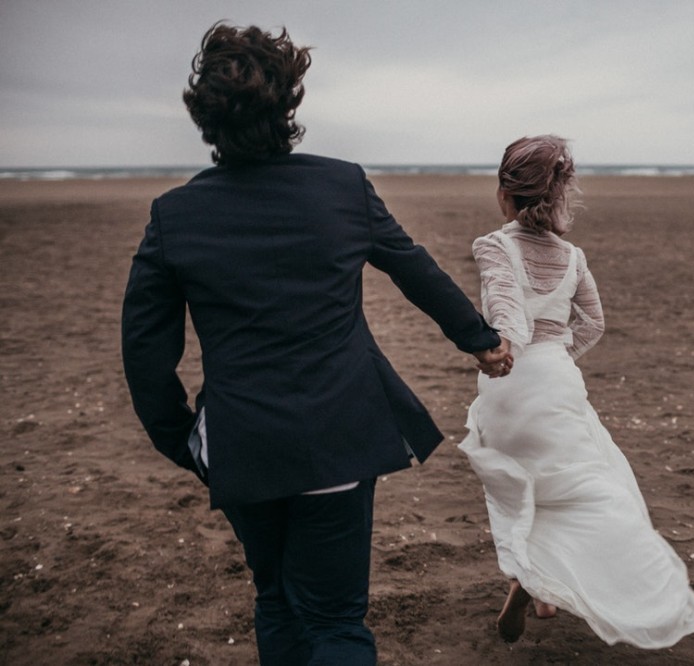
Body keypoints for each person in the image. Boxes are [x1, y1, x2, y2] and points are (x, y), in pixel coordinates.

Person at [121, 23, 509, 665]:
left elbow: (144, 353)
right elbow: (413, 268)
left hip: (243, 446)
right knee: (334, 620)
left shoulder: (174, 215)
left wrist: (180, 439)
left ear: (205, 118)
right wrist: (481, 340)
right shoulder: (341, 187)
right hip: (338, 435)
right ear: (289, 104)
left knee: (275, 597)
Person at [459, 135, 694, 647]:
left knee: (518, 484)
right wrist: (556, 360)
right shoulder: (573, 256)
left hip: (510, 382)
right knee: (569, 480)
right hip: (557, 380)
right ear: (561, 197)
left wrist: (508, 349)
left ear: (505, 196)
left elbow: (504, 310)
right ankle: (545, 588)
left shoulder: (493, 245)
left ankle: (533, 581)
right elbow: (593, 323)